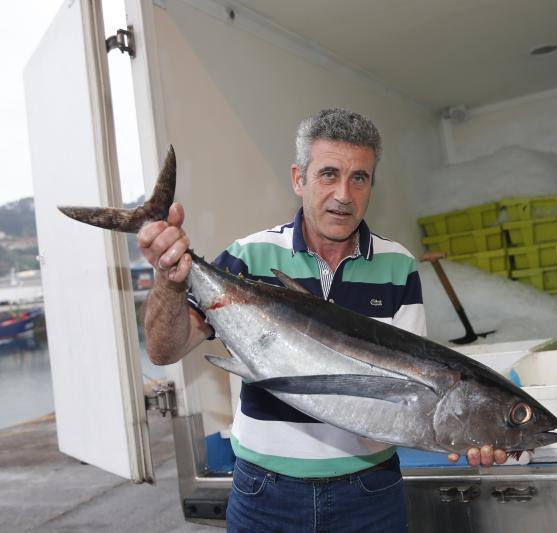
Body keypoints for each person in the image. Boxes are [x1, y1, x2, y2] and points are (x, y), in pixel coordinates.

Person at [137, 108, 507, 532]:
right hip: (265, 494)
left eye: (359, 178)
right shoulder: (247, 256)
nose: (344, 195)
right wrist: (168, 279)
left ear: (372, 186)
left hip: (369, 495)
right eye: (329, 174)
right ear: (299, 179)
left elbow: (410, 394)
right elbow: (163, 350)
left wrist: (471, 430)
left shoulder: (398, 266)